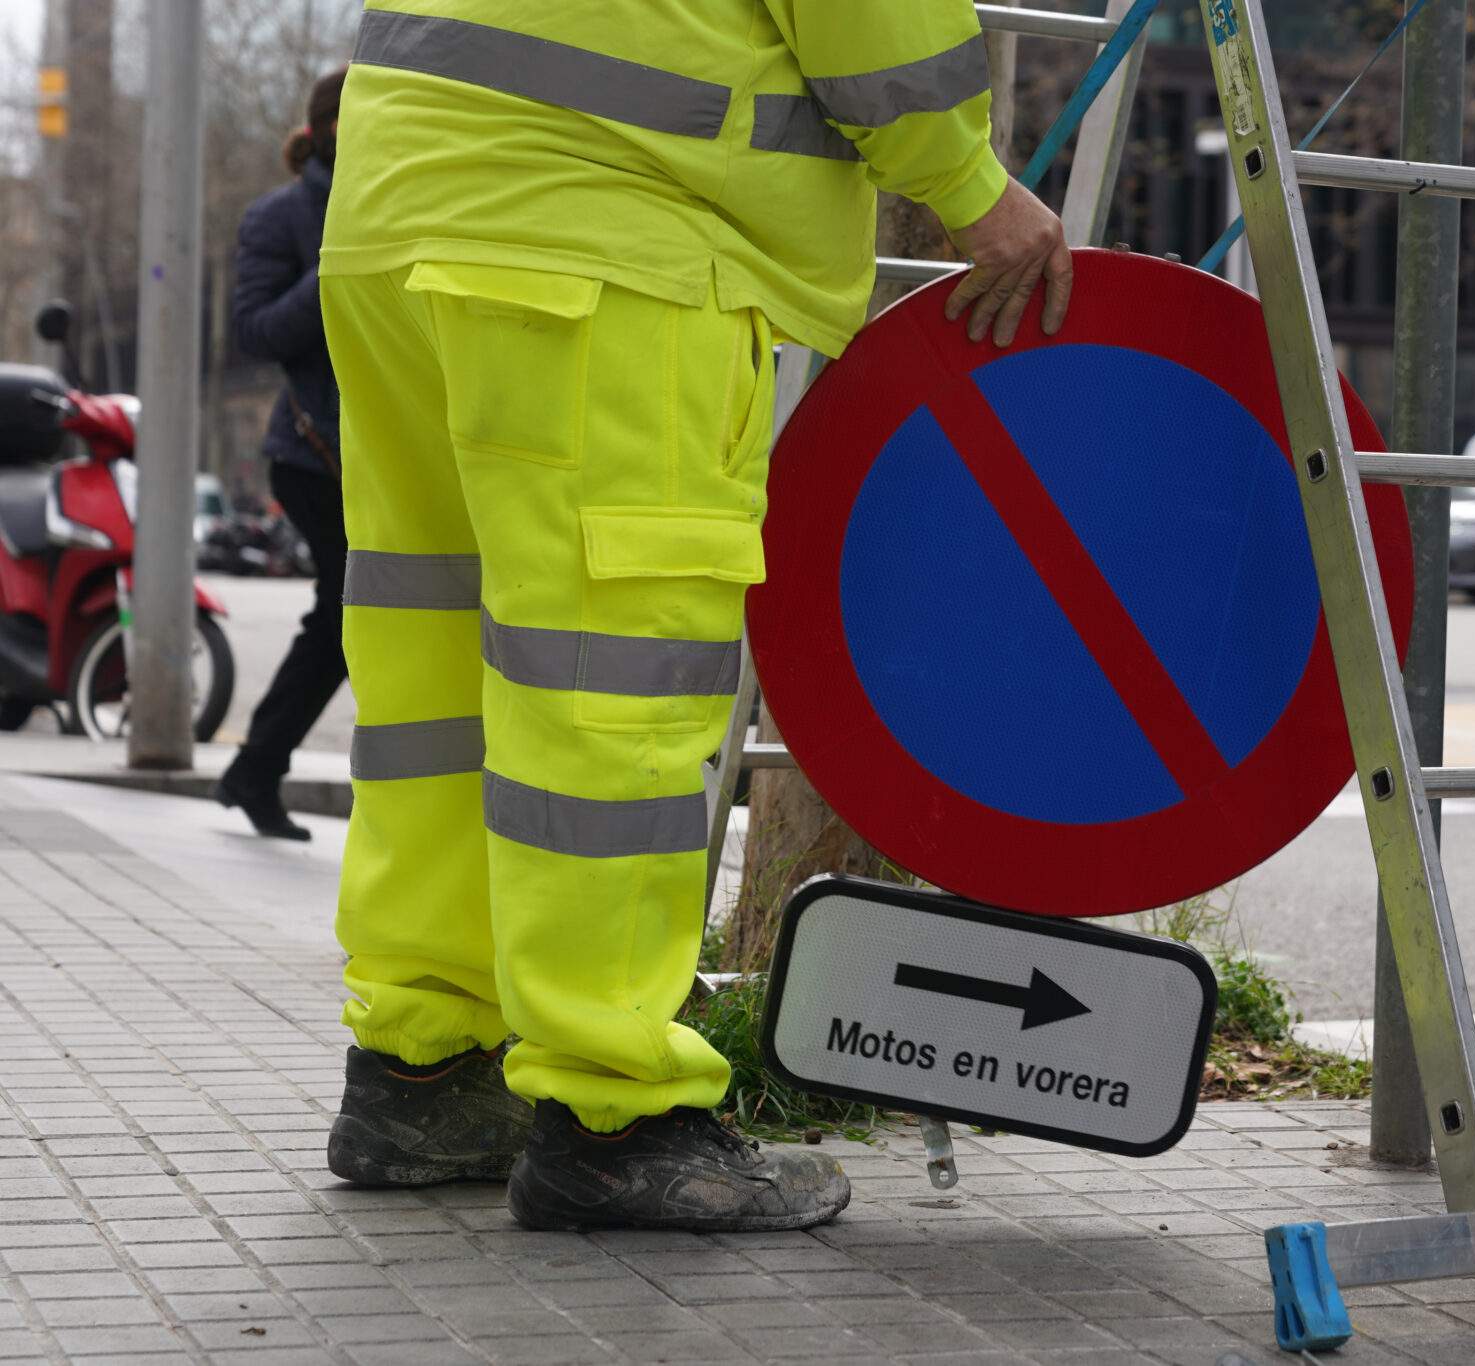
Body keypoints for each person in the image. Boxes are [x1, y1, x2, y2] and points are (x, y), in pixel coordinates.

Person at [319, 3, 1072, 1232]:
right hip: (607, 243)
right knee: (608, 704)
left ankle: (424, 1068)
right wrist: (967, 182)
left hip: (398, 216)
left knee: (438, 682)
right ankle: (614, 1113)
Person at [214, 70, 352, 842]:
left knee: (343, 618)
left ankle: (254, 771)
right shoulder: (282, 217)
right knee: (345, 615)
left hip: (382, 450)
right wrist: (335, 265)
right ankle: (255, 769)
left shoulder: (395, 203)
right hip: (311, 455)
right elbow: (257, 331)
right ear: (330, 128)